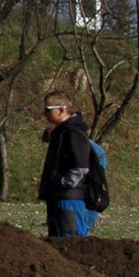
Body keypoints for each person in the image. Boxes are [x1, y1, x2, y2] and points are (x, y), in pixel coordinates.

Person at [38, 91, 96, 237]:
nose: (44, 113)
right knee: (56, 241)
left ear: (61, 110)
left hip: (69, 199)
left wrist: (62, 184)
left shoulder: (73, 133)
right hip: (58, 198)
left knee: (70, 241)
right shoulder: (61, 132)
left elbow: (81, 166)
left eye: (48, 109)